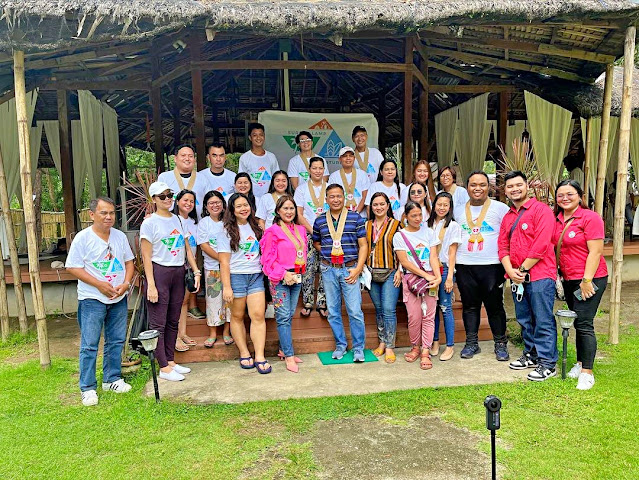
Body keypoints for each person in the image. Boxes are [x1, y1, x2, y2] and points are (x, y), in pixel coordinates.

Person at [66, 196, 135, 406]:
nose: (108, 217)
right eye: (103, 213)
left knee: (116, 340)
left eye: (112, 213)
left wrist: (126, 283)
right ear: (92, 214)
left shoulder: (119, 236)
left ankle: (112, 379)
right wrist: (99, 284)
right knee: (90, 344)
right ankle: (87, 388)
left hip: (118, 297)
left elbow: (129, 262)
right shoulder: (83, 238)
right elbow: (73, 267)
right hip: (92, 298)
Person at [498, 171, 559, 381]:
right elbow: (502, 246)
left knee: (542, 319)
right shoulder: (508, 216)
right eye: (510, 186)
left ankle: (548, 363)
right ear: (505, 191)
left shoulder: (541, 210)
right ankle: (531, 354)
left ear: (527, 186)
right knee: (524, 319)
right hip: (517, 277)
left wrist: (522, 270)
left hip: (540, 276)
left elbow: (541, 244)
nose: (514, 189)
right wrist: (510, 271)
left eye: (518, 185)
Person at [140, 182, 201, 382]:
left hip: (178, 271)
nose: (167, 199)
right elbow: (146, 256)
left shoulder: (177, 219)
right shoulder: (150, 223)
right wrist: (151, 284)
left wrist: (196, 270)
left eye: (169, 195)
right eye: (162, 196)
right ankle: (163, 367)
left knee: (173, 319)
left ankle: (171, 360)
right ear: (154, 199)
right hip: (160, 271)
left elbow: (186, 247)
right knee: (159, 322)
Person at [553, 180, 608, 390]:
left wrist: (586, 280)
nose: (565, 198)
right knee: (577, 321)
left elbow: (596, 251)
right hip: (569, 279)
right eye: (560, 195)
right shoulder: (556, 219)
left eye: (570, 194)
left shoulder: (590, 217)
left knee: (584, 322)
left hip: (590, 278)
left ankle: (587, 372)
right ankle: (579, 362)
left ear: (580, 196)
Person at [454, 171, 510, 361]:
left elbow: (509, 235)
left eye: (482, 184)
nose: (477, 188)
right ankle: (471, 343)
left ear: (489, 187)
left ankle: (500, 343)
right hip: (465, 264)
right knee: (470, 306)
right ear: (467, 187)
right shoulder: (458, 210)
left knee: (495, 306)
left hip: (492, 265)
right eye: (473, 185)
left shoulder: (501, 208)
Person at [312, 184, 368, 362]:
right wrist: (328, 254)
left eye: (339, 196)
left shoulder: (355, 217)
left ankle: (358, 348)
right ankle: (340, 345)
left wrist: (358, 268)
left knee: (355, 311)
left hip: (350, 269)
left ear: (344, 198)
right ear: (326, 199)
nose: (335, 200)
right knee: (333, 311)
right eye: (332, 196)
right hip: (329, 269)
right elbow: (316, 242)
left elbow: (363, 245)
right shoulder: (320, 220)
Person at [219, 193, 271, 374]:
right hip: (236, 277)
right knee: (237, 316)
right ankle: (244, 352)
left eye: (246, 205)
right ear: (232, 209)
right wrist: (227, 286)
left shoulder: (257, 227)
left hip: (256, 275)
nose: (243, 209)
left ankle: (260, 356)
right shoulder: (225, 230)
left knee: (258, 315)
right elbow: (224, 261)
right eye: (239, 206)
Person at [260, 195, 308, 373]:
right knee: (283, 317)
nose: (289, 212)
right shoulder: (272, 231)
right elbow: (267, 260)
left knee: (289, 315)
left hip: (297, 276)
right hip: (280, 278)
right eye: (285, 208)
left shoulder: (301, 230)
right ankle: (289, 355)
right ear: (278, 211)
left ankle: (283, 349)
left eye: (292, 208)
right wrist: (283, 274)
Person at [394, 201, 442, 370]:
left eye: (420, 215)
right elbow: (404, 262)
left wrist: (437, 277)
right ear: (406, 217)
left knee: (429, 316)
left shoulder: (429, 232)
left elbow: (433, 257)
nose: (417, 218)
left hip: (430, 278)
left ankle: (425, 351)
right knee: (414, 317)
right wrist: (425, 275)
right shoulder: (400, 236)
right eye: (413, 215)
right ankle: (415, 346)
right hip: (411, 279)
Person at [366, 192, 402, 364]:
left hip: (391, 272)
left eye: (382, 204)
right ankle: (381, 342)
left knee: (388, 309)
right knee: (379, 309)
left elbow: (403, 249)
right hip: (371, 273)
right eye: (375, 204)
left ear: (388, 206)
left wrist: (400, 270)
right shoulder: (366, 225)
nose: (378, 207)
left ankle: (389, 346)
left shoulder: (397, 225)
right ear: (371, 207)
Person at [426, 192, 462, 361]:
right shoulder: (427, 224)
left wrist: (449, 278)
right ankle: (435, 342)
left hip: (445, 269)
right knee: (432, 308)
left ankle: (450, 345)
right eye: (439, 204)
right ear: (434, 205)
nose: (442, 208)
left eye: (445, 205)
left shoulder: (453, 226)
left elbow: (452, 253)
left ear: (450, 207)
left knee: (445, 307)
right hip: (429, 271)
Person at [294, 156, 329, 318]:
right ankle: (307, 302)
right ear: (309, 170)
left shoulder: (329, 188)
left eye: (320, 168)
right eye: (314, 168)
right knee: (307, 268)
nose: (317, 171)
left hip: (328, 235)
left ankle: (322, 302)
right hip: (307, 234)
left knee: (325, 267)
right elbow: (299, 214)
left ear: (324, 170)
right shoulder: (301, 189)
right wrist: (313, 232)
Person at [197, 190, 233, 348]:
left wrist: (226, 262)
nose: (215, 205)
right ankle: (212, 333)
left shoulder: (229, 221)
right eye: (211, 203)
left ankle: (226, 332)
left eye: (218, 202)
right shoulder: (204, 223)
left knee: (229, 301)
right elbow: (204, 245)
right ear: (206, 206)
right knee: (213, 301)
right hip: (212, 268)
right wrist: (222, 259)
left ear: (223, 204)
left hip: (231, 267)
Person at [171, 189, 204, 353]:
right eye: (185, 200)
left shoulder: (194, 222)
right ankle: (174, 337)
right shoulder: (171, 220)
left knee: (184, 301)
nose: (188, 204)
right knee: (175, 302)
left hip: (189, 267)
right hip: (174, 266)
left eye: (192, 201)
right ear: (177, 202)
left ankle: (182, 333)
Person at [157, 144, 209, 217]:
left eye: (190, 156)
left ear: (194, 159)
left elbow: (209, 200)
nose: (187, 158)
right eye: (183, 155)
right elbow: (159, 201)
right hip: (171, 221)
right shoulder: (164, 177)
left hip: (197, 221)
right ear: (175, 158)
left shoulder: (202, 178)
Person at [238, 122, 280, 198]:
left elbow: (277, 178)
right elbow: (242, 180)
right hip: (251, 199)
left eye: (261, 135)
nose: (258, 138)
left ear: (264, 136)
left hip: (269, 198)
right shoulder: (244, 158)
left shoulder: (271, 157)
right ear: (250, 137)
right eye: (255, 135)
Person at [328, 146, 370, 216]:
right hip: (340, 216)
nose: (348, 158)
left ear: (354, 158)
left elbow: (365, 196)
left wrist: (357, 212)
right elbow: (332, 197)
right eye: (345, 156)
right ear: (340, 159)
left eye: (351, 156)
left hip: (360, 215)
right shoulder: (334, 176)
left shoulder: (362, 174)